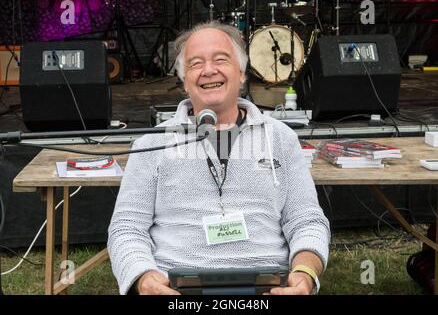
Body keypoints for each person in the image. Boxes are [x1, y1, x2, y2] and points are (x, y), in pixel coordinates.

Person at [108, 21, 330, 295]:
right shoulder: (152, 143)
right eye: (195, 63)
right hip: (176, 289)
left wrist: (305, 274)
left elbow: (307, 220)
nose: (208, 70)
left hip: (268, 289)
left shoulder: (281, 138)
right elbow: (126, 228)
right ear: (184, 80)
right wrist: (144, 277)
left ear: (241, 73)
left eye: (220, 60)